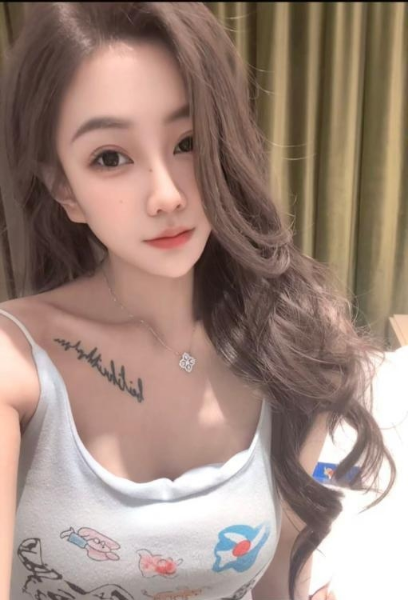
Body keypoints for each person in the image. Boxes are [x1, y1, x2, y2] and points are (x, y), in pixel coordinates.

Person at [0, 3, 403, 600]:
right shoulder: (15, 363)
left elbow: (280, 577)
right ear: (65, 187)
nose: (166, 195)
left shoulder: (294, 340)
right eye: (110, 157)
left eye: (189, 142)